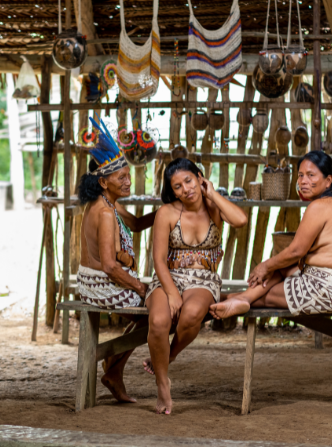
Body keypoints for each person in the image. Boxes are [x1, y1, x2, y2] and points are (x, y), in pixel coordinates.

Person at [143, 157, 248, 414]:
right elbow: (158, 260)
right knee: (158, 320)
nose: (186, 189)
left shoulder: (214, 207)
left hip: (203, 280)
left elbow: (241, 220)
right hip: (168, 277)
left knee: (190, 314)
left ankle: (168, 357)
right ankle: (162, 384)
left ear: (199, 177)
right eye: (177, 186)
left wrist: (211, 193)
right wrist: (171, 293)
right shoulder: (167, 213)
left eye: (189, 181)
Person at [209, 150, 332, 319]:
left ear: (328, 181)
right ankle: (240, 299)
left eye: (311, 175)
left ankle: (229, 299)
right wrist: (273, 266)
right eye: (300, 175)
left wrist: (265, 266)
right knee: (281, 268)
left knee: (267, 294)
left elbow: (296, 251)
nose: (303, 181)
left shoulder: (320, 206)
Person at [77, 115, 156, 404]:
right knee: (159, 312)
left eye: (128, 175)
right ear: (103, 181)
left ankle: (114, 366)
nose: (128, 181)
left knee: (155, 309)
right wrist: (139, 287)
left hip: (92, 280)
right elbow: (110, 266)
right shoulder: (105, 212)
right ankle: (113, 368)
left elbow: (135, 224)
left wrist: (166, 212)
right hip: (100, 284)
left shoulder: (106, 203)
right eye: (121, 177)